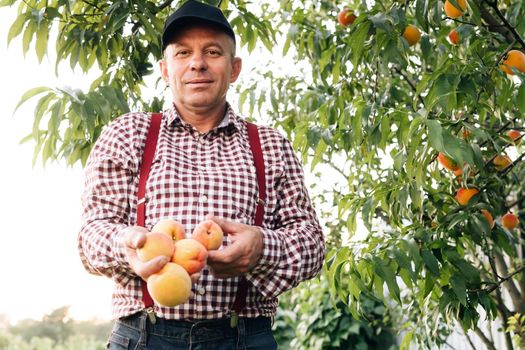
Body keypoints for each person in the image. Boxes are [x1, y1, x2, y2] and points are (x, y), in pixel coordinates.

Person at [77, 0, 325, 348]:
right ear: (165, 69)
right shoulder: (128, 135)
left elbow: (312, 244)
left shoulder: (269, 145)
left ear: (234, 68)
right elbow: (91, 235)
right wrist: (128, 245)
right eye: (183, 53)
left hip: (243, 336)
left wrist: (263, 248)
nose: (197, 63)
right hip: (145, 335)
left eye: (212, 51)